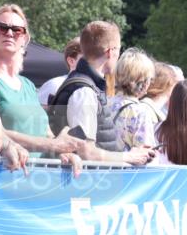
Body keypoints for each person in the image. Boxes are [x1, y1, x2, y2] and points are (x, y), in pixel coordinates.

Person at [0, 4, 82, 158]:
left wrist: (63, 153)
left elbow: (45, 133)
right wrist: (53, 145)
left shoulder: (28, 85)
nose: (9, 33)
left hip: (39, 176)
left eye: (17, 30)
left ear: (24, 38)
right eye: (2, 27)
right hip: (3, 175)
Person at [50, 20, 154, 165]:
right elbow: (86, 152)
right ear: (110, 52)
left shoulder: (88, 87)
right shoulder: (84, 92)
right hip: (87, 183)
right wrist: (128, 157)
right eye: (118, 50)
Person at [109, 48, 157, 150]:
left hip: (99, 164)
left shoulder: (103, 104)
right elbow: (145, 154)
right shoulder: (140, 113)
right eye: (149, 79)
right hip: (126, 165)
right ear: (144, 83)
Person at [37, 37, 81, 109]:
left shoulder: (99, 88)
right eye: (88, 57)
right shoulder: (55, 85)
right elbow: (38, 116)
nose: (94, 61)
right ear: (71, 61)